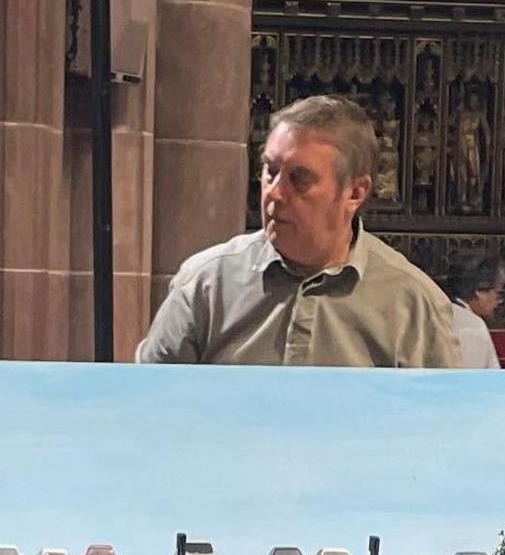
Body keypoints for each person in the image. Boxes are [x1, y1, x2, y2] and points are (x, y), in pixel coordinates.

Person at [139, 95, 463, 370]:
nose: (274, 193)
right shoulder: (206, 284)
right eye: (270, 170)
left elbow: (441, 430)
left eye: (300, 179)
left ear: (355, 192)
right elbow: (148, 407)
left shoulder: (413, 304)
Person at [441, 254, 505, 370]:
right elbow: (479, 382)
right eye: (498, 293)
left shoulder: (437, 312)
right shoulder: (472, 327)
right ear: (480, 291)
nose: (500, 302)